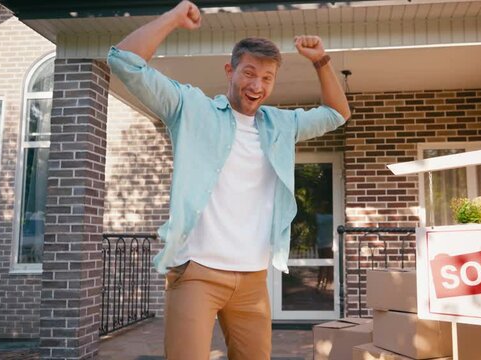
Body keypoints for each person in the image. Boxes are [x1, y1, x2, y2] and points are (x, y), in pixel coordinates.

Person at [107, 1, 350, 359]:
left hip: (253, 278)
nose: (257, 85)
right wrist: (174, 18)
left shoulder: (281, 125)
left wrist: (321, 61)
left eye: (267, 78)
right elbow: (123, 61)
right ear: (230, 71)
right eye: (249, 73)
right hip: (196, 273)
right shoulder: (192, 109)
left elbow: (337, 113)